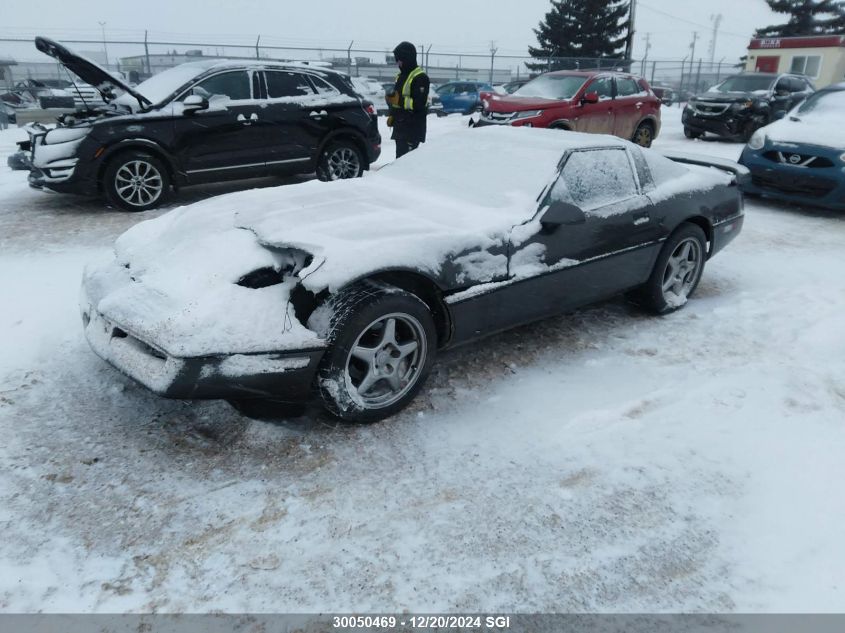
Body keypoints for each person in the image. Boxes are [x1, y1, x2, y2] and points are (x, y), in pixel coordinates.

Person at [387, 41, 430, 158]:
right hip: (401, 127)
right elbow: (397, 99)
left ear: (407, 58)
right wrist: (392, 113)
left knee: (407, 162)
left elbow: (419, 103)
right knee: (399, 160)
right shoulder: (400, 76)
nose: (398, 63)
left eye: (399, 60)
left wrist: (398, 101)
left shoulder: (420, 77)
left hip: (412, 129)